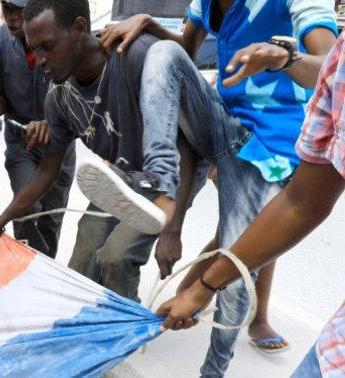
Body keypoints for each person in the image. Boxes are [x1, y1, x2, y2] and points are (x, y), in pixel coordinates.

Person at [100, 0, 337, 374]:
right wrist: (147, 23)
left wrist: (285, 58)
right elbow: (186, 52)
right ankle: (160, 182)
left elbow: (331, 70)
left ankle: (213, 371)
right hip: (220, 125)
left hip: (268, 147)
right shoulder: (205, 4)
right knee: (162, 52)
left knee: (236, 275)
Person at [0, 0, 203, 302]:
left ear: (80, 28)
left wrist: (172, 230)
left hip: (169, 176)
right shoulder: (59, 98)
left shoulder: (135, 57)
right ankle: (94, 328)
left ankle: (123, 334)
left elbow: (186, 147)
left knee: (115, 258)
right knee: (81, 267)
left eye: (48, 46)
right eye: (34, 50)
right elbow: (46, 171)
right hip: (122, 175)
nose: (41, 60)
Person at [157, 31, 345, 377]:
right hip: (335, 355)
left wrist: (285, 59)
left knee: (244, 240)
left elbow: (317, 59)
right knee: (242, 239)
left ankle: (241, 336)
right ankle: (197, 300)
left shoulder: (304, 13)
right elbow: (300, 205)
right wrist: (201, 287)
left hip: (278, 144)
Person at [0, 0, 76, 259]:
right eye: (7, 10)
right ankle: (27, 267)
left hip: (60, 145)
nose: (12, 18)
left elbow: (82, 97)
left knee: (51, 219)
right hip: (21, 142)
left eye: (19, 10)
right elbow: (4, 95)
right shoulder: (0, 41)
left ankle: (45, 271)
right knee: (26, 207)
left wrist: (53, 123)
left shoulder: (63, 36)